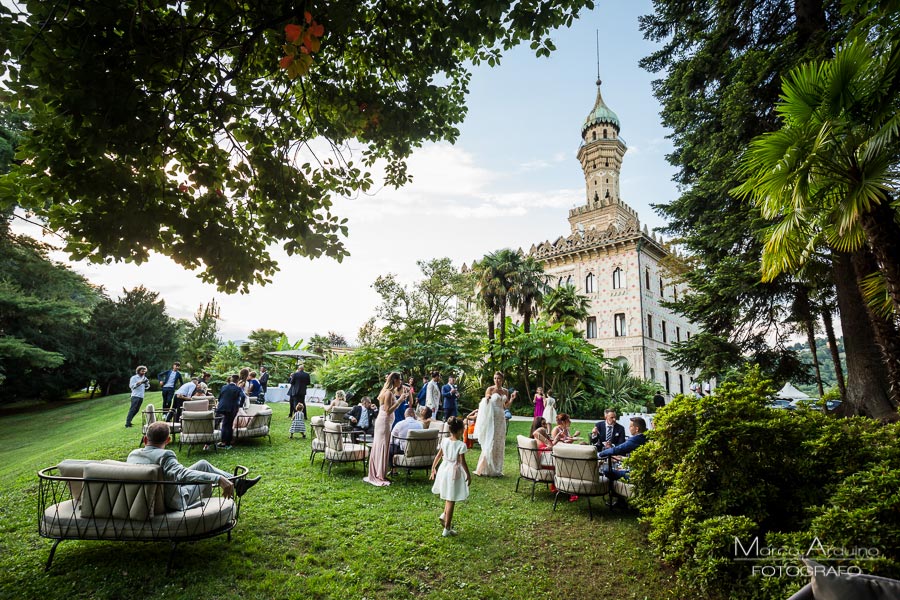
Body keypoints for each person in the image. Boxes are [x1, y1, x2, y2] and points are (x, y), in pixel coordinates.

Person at [128, 421, 260, 510]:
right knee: (206, 476)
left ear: (145, 439)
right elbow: (183, 474)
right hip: (171, 502)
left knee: (203, 464)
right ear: (168, 440)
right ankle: (210, 511)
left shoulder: (132, 455)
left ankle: (238, 483)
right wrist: (218, 478)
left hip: (143, 501)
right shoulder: (164, 456)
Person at [430, 417, 470, 537]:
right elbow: (462, 462)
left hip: (444, 469)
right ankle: (447, 528)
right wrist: (468, 474)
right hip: (454, 472)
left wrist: (433, 467)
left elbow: (438, 455)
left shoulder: (445, 441)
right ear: (459, 431)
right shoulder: (460, 445)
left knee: (449, 495)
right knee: (451, 498)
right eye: (463, 428)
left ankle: (444, 515)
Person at [364, 372, 405, 486]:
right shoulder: (388, 393)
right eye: (399, 380)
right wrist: (399, 400)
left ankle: (378, 472)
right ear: (394, 380)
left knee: (380, 445)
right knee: (382, 446)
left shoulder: (386, 391)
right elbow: (388, 411)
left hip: (383, 422)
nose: (400, 382)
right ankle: (379, 475)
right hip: (384, 422)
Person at [474, 371, 517, 477]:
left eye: (498, 378)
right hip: (492, 416)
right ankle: (486, 467)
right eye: (495, 378)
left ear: (502, 380)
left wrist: (511, 399)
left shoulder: (505, 391)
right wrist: (487, 398)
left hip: (501, 417)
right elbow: (486, 398)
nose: (496, 380)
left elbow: (506, 406)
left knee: (499, 441)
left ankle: (497, 468)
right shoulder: (490, 389)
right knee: (491, 439)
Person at [216, 374, 246, 449]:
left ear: (231, 380)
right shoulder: (238, 389)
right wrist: (240, 406)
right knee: (229, 425)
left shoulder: (224, 387)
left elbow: (219, 397)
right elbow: (243, 396)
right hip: (232, 408)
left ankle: (223, 441)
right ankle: (227, 443)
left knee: (225, 424)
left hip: (222, 407)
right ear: (237, 381)